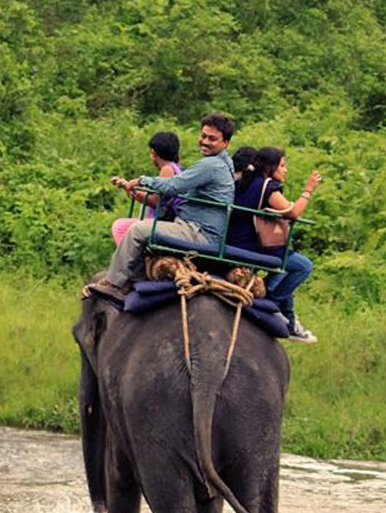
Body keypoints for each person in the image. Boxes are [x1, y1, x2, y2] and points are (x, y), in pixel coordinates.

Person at [85, 113, 237, 299]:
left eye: (212, 139)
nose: (204, 142)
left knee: (137, 230)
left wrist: (142, 180)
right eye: (203, 136)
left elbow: (173, 186)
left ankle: (115, 283)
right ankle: (136, 278)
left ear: (225, 143)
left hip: (198, 232)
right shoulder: (224, 163)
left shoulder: (211, 165)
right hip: (197, 228)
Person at [229, 147, 322, 343]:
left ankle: (289, 320)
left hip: (235, 241)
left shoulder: (244, 183)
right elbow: (294, 212)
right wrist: (308, 190)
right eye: (282, 165)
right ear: (270, 167)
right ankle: (270, 302)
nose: (285, 170)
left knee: (282, 270)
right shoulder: (267, 186)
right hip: (254, 246)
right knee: (303, 266)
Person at [110, 131, 182, 245]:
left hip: (163, 219)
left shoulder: (167, 169)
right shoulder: (175, 167)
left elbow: (155, 201)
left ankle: (130, 256)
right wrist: (128, 187)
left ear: (154, 153)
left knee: (120, 227)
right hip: (162, 218)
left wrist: (135, 192)